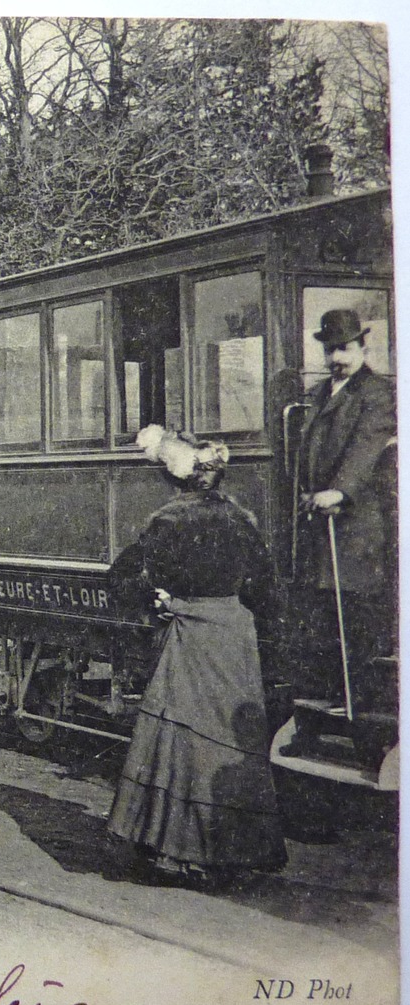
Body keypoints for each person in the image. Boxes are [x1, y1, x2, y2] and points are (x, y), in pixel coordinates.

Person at [104, 427, 285, 883]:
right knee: (230, 743)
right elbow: (265, 591)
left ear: (177, 477)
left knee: (182, 743)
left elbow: (124, 580)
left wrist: (164, 604)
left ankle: (177, 851)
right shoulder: (243, 520)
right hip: (235, 638)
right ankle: (237, 851)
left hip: (192, 636)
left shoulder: (169, 519)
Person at [290, 308, 398, 721]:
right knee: (328, 611)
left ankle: (362, 704)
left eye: (346, 348)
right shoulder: (320, 394)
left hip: (356, 521)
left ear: (362, 347)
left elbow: (366, 447)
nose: (338, 357)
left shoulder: (375, 393)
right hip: (323, 518)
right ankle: (336, 696)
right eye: (331, 349)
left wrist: (340, 490)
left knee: (356, 612)